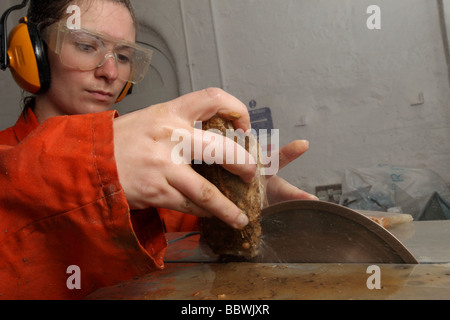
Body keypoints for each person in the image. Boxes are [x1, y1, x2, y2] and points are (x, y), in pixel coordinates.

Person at [0, 0, 317, 299]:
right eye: (86, 45)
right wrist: (98, 165)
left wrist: (242, 200)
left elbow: (193, 242)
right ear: (34, 51)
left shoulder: (162, 172)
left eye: (123, 56)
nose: (110, 72)